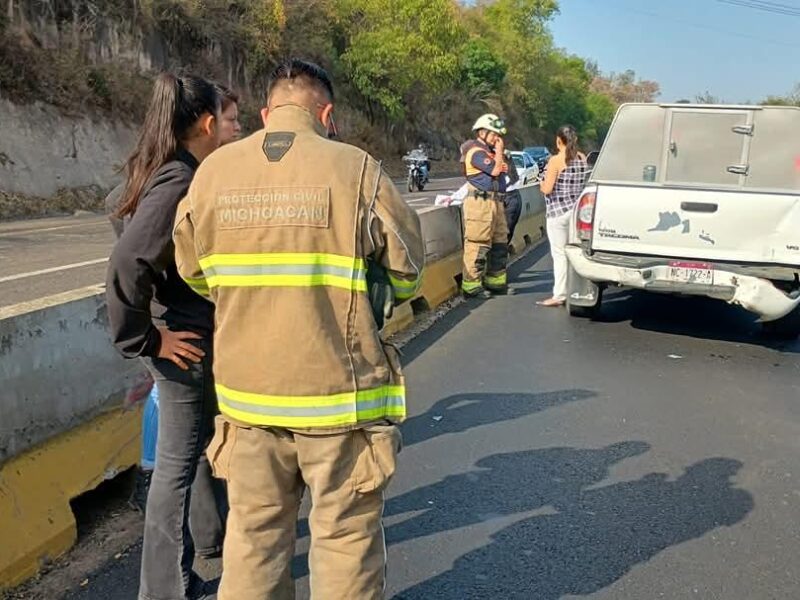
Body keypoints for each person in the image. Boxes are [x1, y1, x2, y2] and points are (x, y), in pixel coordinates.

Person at [172, 58, 424, 600]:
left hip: (246, 400)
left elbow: (193, 273)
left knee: (253, 540)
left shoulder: (212, 173)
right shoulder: (355, 169)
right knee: (343, 541)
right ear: (326, 113)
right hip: (337, 398)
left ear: (266, 112)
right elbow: (407, 267)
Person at [106, 72, 226, 600]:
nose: (225, 127)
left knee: (192, 454)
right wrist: (148, 339)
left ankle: (204, 548)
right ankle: (165, 590)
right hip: (183, 343)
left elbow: (119, 211)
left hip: (175, 334)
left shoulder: (153, 167)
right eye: (223, 118)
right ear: (206, 122)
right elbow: (129, 259)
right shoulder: (181, 178)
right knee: (176, 471)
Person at [459, 113, 511, 298]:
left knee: (499, 242)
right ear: (482, 132)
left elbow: (504, 171)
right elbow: (497, 169)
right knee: (477, 242)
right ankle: (471, 286)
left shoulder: (488, 153)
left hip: (496, 202)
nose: (497, 138)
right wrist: (499, 151)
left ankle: (495, 282)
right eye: (494, 134)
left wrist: (499, 156)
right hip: (480, 203)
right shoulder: (476, 152)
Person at [538, 125, 588, 307]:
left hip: (557, 213)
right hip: (575, 212)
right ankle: (579, 290)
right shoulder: (582, 158)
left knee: (559, 254)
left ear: (559, 140)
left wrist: (541, 184)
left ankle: (559, 295)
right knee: (575, 252)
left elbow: (548, 189)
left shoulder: (556, 161)